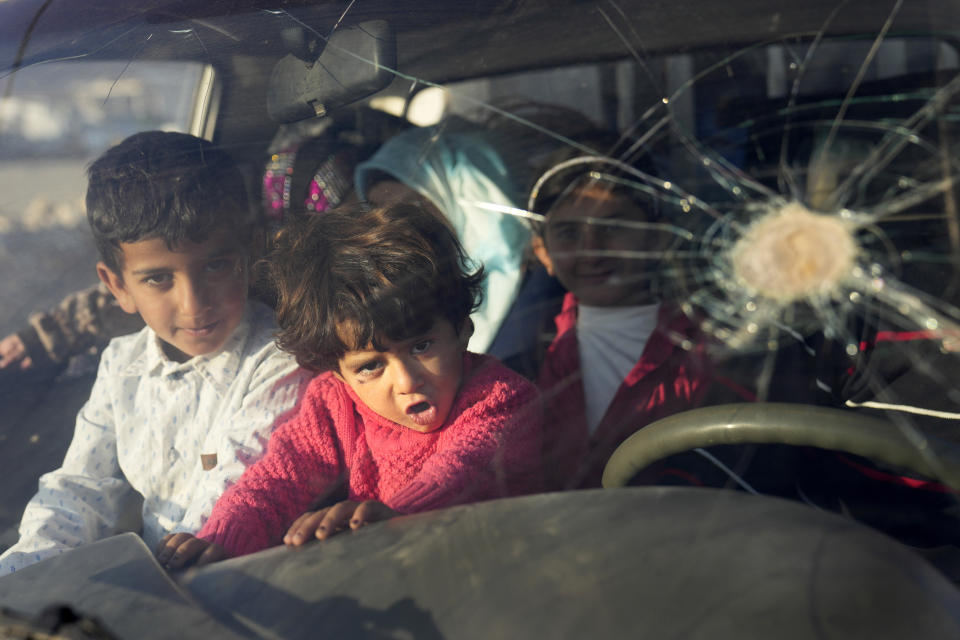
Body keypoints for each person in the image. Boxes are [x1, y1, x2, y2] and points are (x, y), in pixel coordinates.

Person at [155, 201, 543, 568]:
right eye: (372, 366)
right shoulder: (336, 403)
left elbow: (460, 473)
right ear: (339, 374)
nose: (406, 381)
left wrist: (397, 518)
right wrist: (221, 540)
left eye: (421, 346)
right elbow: (280, 476)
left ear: (462, 329)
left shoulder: (499, 399)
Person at [0, 131, 310, 573]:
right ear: (118, 287)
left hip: (250, 579)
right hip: (163, 589)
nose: (194, 303)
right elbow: (80, 488)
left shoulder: (279, 360)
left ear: (251, 250)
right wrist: (24, 573)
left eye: (217, 265)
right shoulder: (121, 365)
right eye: (158, 279)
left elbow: (233, 488)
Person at [354, 122, 531, 355]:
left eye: (412, 208)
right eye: (383, 214)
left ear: (457, 197)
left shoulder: (536, 286)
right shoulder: (408, 301)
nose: (400, 228)